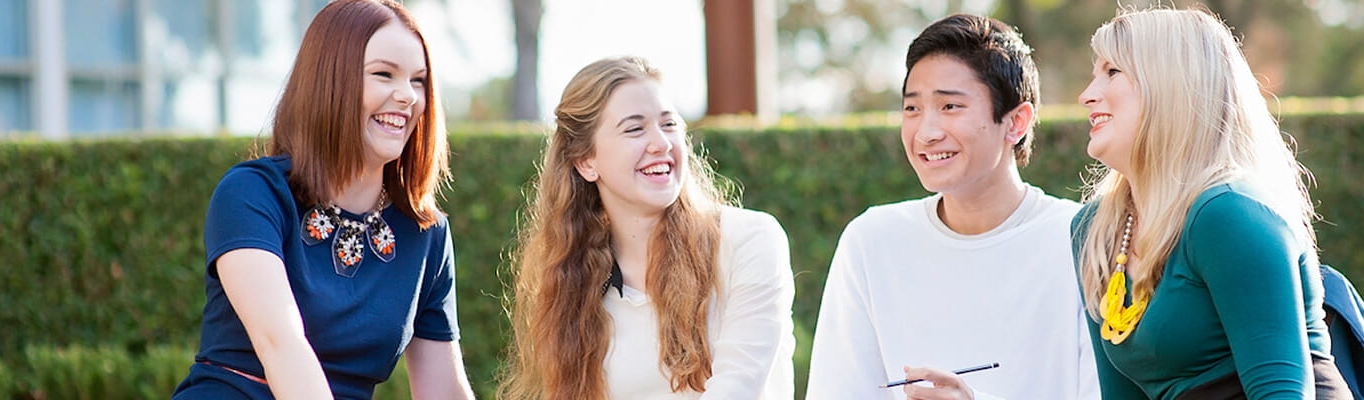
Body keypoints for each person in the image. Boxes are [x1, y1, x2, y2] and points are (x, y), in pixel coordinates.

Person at [171, 0, 472, 398]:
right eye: (384, 74)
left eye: (418, 80)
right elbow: (281, 344)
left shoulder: (425, 233)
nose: (408, 96)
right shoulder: (253, 193)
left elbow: (444, 392)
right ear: (329, 82)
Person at [807, 14, 1099, 400]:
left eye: (949, 107)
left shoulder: (1082, 237)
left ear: (1016, 122)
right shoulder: (872, 241)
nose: (926, 133)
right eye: (912, 109)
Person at [1070, 7, 1350, 399]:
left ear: (1171, 85)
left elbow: (1282, 393)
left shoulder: (1229, 214)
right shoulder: (1093, 230)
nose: (1086, 95)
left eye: (1112, 71)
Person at [497, 56, 795, 400]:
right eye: (635, 129)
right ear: (586, 161)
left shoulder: (749, 239)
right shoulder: (574, 284)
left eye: (669, 125)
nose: (661, 143)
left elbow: (739, 388)